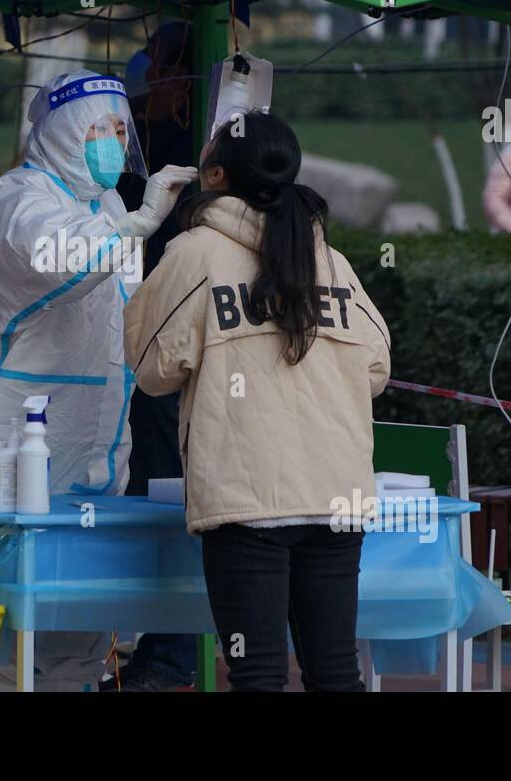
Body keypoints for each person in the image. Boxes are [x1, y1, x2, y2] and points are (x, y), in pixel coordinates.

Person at [0, 69, 196, 690]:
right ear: (61, 135)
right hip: (9, 447)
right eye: (96, 129)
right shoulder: (17, 199)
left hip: (94, 455)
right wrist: (135, 226)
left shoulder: (103, 208)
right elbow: (63, 262)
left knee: (77, 624)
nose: (110, 140)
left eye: (117, 129)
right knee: (3, 631)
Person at [124, 112, 392, 692]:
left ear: (214, 175)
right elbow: (376, 367)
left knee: (258, 674)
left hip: (247, 496)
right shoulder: (331, 261)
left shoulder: (194, 255)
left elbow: (150, 371)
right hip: (336, 494)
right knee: (336, 671)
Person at [109, 22, 201, 690]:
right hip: (155, 358)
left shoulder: (178, 148)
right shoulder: (153, 144)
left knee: (165, 499)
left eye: (161, 68)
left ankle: (169, 655)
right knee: (154, 496)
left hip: (166, 359)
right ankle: (157, 650)